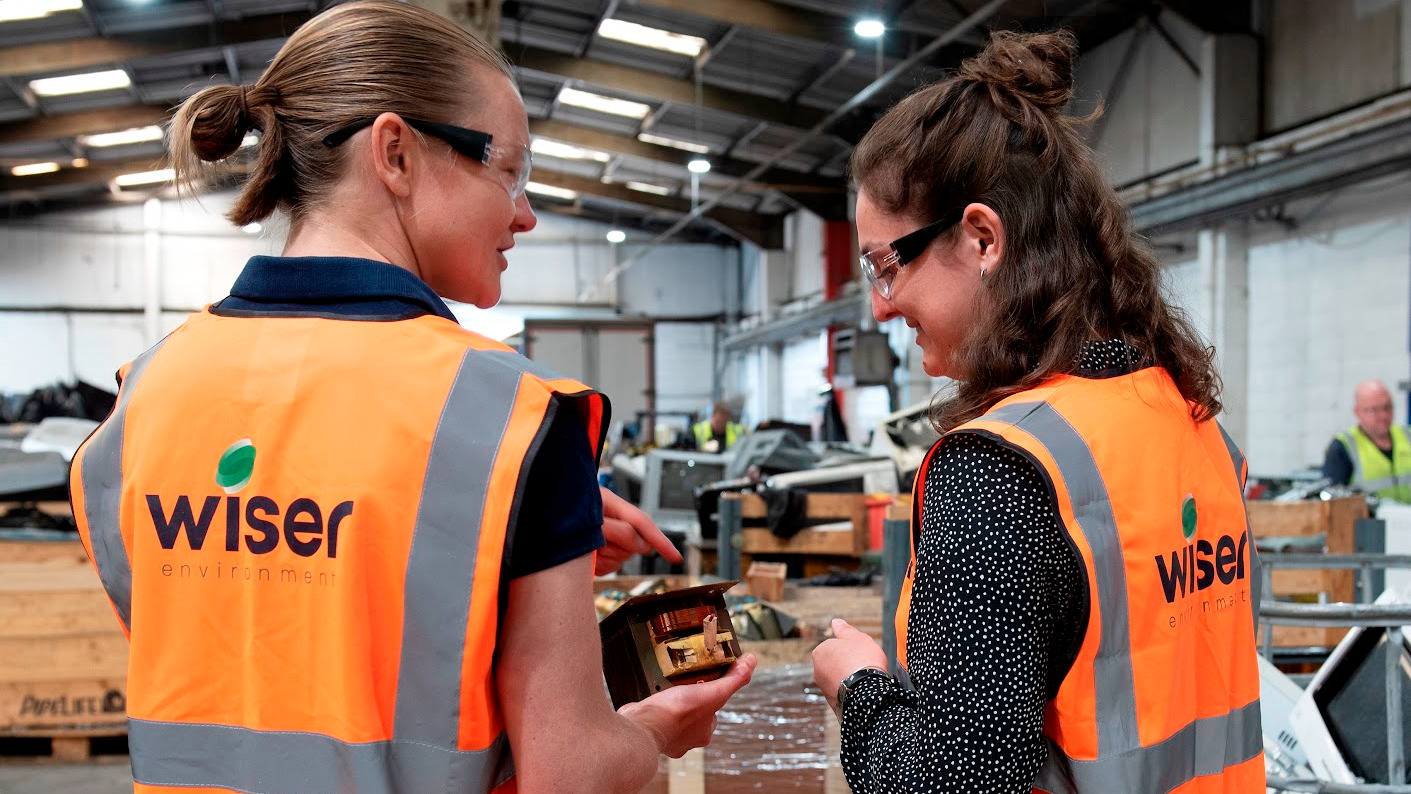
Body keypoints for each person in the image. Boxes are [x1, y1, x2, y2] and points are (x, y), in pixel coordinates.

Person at [67, 3, 753, 792]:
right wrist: (651, 733)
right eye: (510, 170)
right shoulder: (515, 417)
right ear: (394, 152)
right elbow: (570, 774)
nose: (525, 214)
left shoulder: (145, 397)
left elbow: (258, 639)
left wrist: (493, 540)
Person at [810, 30, 1263, 794]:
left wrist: (858, 688)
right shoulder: (1190, 424)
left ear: (982, 237)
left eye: (888, 265)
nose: (882, 306)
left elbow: (953, 783)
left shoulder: (1003, 472)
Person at [1322, 379, 1411, 501]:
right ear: (1357, 412)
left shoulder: (1407, 436)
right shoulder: (1343, 447)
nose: (1383, 415)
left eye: (1387, 407)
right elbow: (1333, 504)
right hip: (1367, 519)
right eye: (1374, 410)